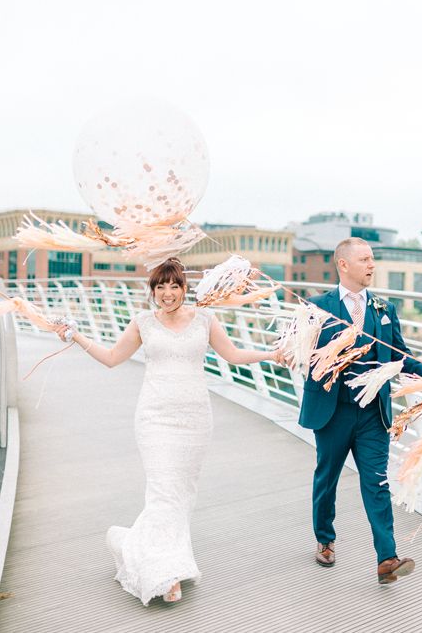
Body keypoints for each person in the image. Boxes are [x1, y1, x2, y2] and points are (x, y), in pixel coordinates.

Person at [53, 258, 280, 605]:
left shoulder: (205, 319)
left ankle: (142, 548)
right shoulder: (143, 323)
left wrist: (272, 354)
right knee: (162, 492)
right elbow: (113, 358)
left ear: (184, 289)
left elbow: (232, 355)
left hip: (195, 419)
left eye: (174, 286)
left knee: (181, 495)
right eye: (160, 287)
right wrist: (76, 336)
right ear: (153, 291)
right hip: (155, 417)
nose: (167, 293)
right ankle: (165, 573)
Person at [298, 237, 422, 584]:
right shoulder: (316, 307)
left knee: (377, 482)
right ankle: (325, 538)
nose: (371, 265)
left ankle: (387, 557)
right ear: (343, 265)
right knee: (327, 477)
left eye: (372, 259)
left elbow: (400, 356)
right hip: (332, 410)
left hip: (372, 414)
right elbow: (300, 353)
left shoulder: (384, 309)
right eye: (365, 259)